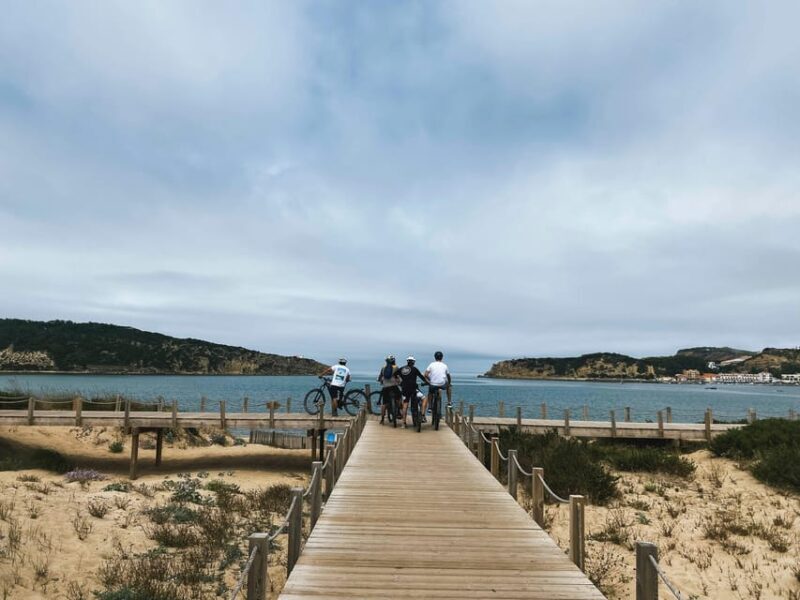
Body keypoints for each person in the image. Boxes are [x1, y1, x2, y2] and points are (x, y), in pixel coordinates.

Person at [394, 356, 429, 427]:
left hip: (405, 389)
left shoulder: (401, 369)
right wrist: (427, 382)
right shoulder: (414, 369)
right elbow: (421, 377)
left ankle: (403, 423)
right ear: (413, 362)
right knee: (424, 398)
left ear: (407, 361)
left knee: (405, 405)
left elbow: (394, 375)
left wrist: (400, 382)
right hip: (413, 389)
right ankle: (422, 415)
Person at [424, 351, 451, 423]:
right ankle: (449, 402)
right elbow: (448, 376)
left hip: (433, 384)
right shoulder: (445, 365)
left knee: (430, 391)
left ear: (435, 357)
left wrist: (429, 381)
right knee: (449, 387)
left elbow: (425, 374)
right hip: (442, 384)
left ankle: (430, 407)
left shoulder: (431, 364)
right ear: (442, 357)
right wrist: (449, 383)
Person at [377, 355, 402, 425]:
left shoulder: (383, 368)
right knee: (399, 396)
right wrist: (399, 381)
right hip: (394, 386)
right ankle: (399, 411)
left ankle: (382, 419)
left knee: (384, 403)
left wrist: (380, 381)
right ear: (394, 361)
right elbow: (399, 376)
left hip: (385, 387)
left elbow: (380, 377)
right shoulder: (396, 367)